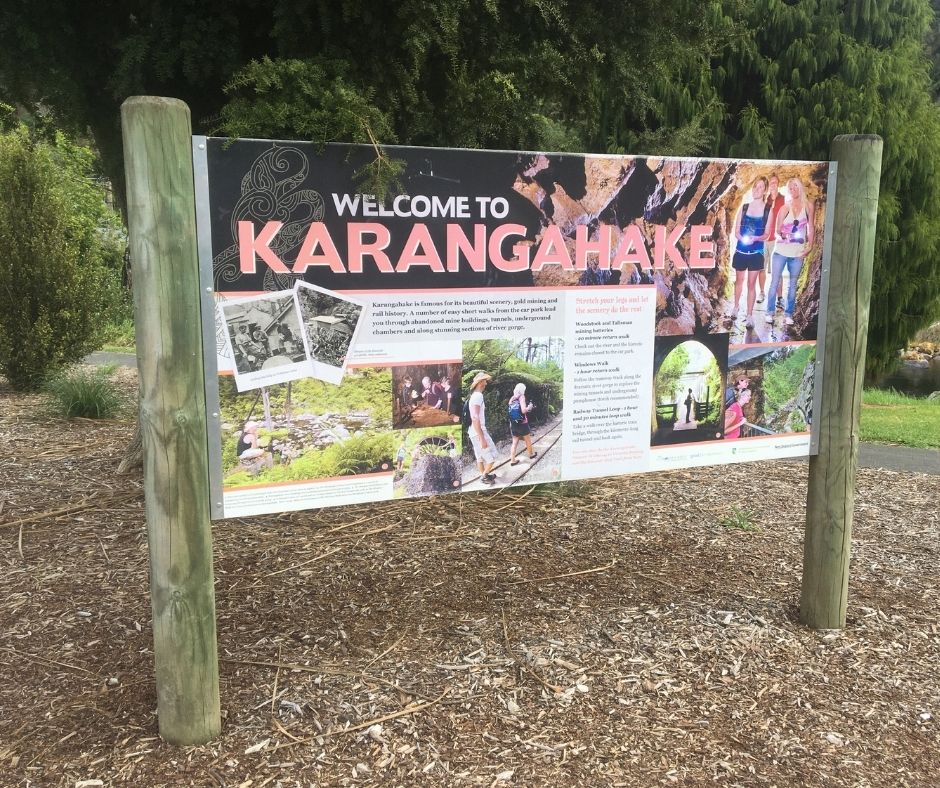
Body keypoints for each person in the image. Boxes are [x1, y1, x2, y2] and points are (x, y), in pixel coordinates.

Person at [766, 177, 815, 328]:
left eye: (795, 186)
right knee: (774, 282)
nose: (792, 189)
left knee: (792, 285)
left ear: (800, 187)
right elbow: (776, 230)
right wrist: (783, 235)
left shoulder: (808, 206)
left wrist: (810, 246)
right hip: (780, 252)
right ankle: (769, 312)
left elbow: (811, 227)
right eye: (790, 187)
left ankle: (789, 314)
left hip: (798, 253)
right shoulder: (784, 208)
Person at [730, 177, 772, 329]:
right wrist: (742, 238)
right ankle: (735, 307)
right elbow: (736, 231)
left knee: (751, 284)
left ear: (765, 190)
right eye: (755, 186)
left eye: (761, 187)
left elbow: (767, 234)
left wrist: (756, 238)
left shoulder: (768, 210)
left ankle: (749, 315)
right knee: (739, 281)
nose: (757, 189)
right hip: (741, 250)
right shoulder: (744, 207)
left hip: (756, 252)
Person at [758, 174, 785, 306]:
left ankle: (780, 298)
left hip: (777, 239)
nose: (773, 185)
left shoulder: (784, 199)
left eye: (775, 182)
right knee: (761, 268)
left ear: (778, 184)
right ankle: (762, 292)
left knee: (777, 269)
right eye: (771, 183)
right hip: (764, 239)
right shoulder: (765, 200)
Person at [467, 372, 498, 484]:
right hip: (478, 432)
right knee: (493, 455)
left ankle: (485, 474)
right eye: (485, 380)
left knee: (480, 456)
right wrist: (482, 437)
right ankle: (484, 477)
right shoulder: (478, 396)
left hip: (473, 432)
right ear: (480, 382)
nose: (486, 383)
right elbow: (475, 417)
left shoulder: (473, 396)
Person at [508, 382, 538, 465]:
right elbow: (523, 410)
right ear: (522, 390)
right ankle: (531, 454)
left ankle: (512, 460)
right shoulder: (521, 397)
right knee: (527, 439)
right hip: (522, 423)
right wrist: (529, 407)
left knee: (514, 442)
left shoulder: (512, 398)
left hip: (513, 423)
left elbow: (510, 411)